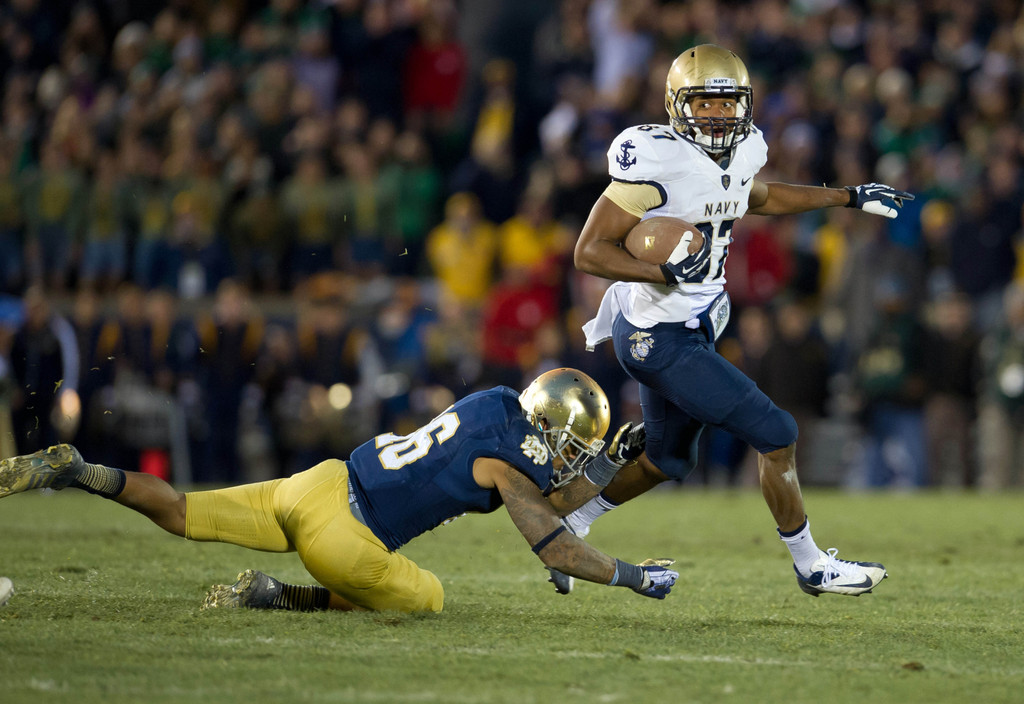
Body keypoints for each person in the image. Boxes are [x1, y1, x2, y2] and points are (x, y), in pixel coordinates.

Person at [562, 45, 910, 597]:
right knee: (777, 434)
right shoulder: (654, 158)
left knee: (667, 459)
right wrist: (663, 273)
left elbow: (759, 197)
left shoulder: (745, 148)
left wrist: (848, 197)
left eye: (729, 104)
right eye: (707, 102)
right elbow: (588, 252)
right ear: (679, 105)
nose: (721, 115)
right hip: (657, 333)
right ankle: (811, 564)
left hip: (693, 323)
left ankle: (570, 523)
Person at [0, 368, 676, 612]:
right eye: (572, 445)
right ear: (550, 429)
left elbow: (546, 494)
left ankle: (83, 471)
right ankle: (279, 596)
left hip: (320, 482)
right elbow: (553, 542)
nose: (569, 459)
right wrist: (633, 576)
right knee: (430, 598)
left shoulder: (495, 402)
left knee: (181, 510)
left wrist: (606, 467)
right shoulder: (513, 460)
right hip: (344, 539)